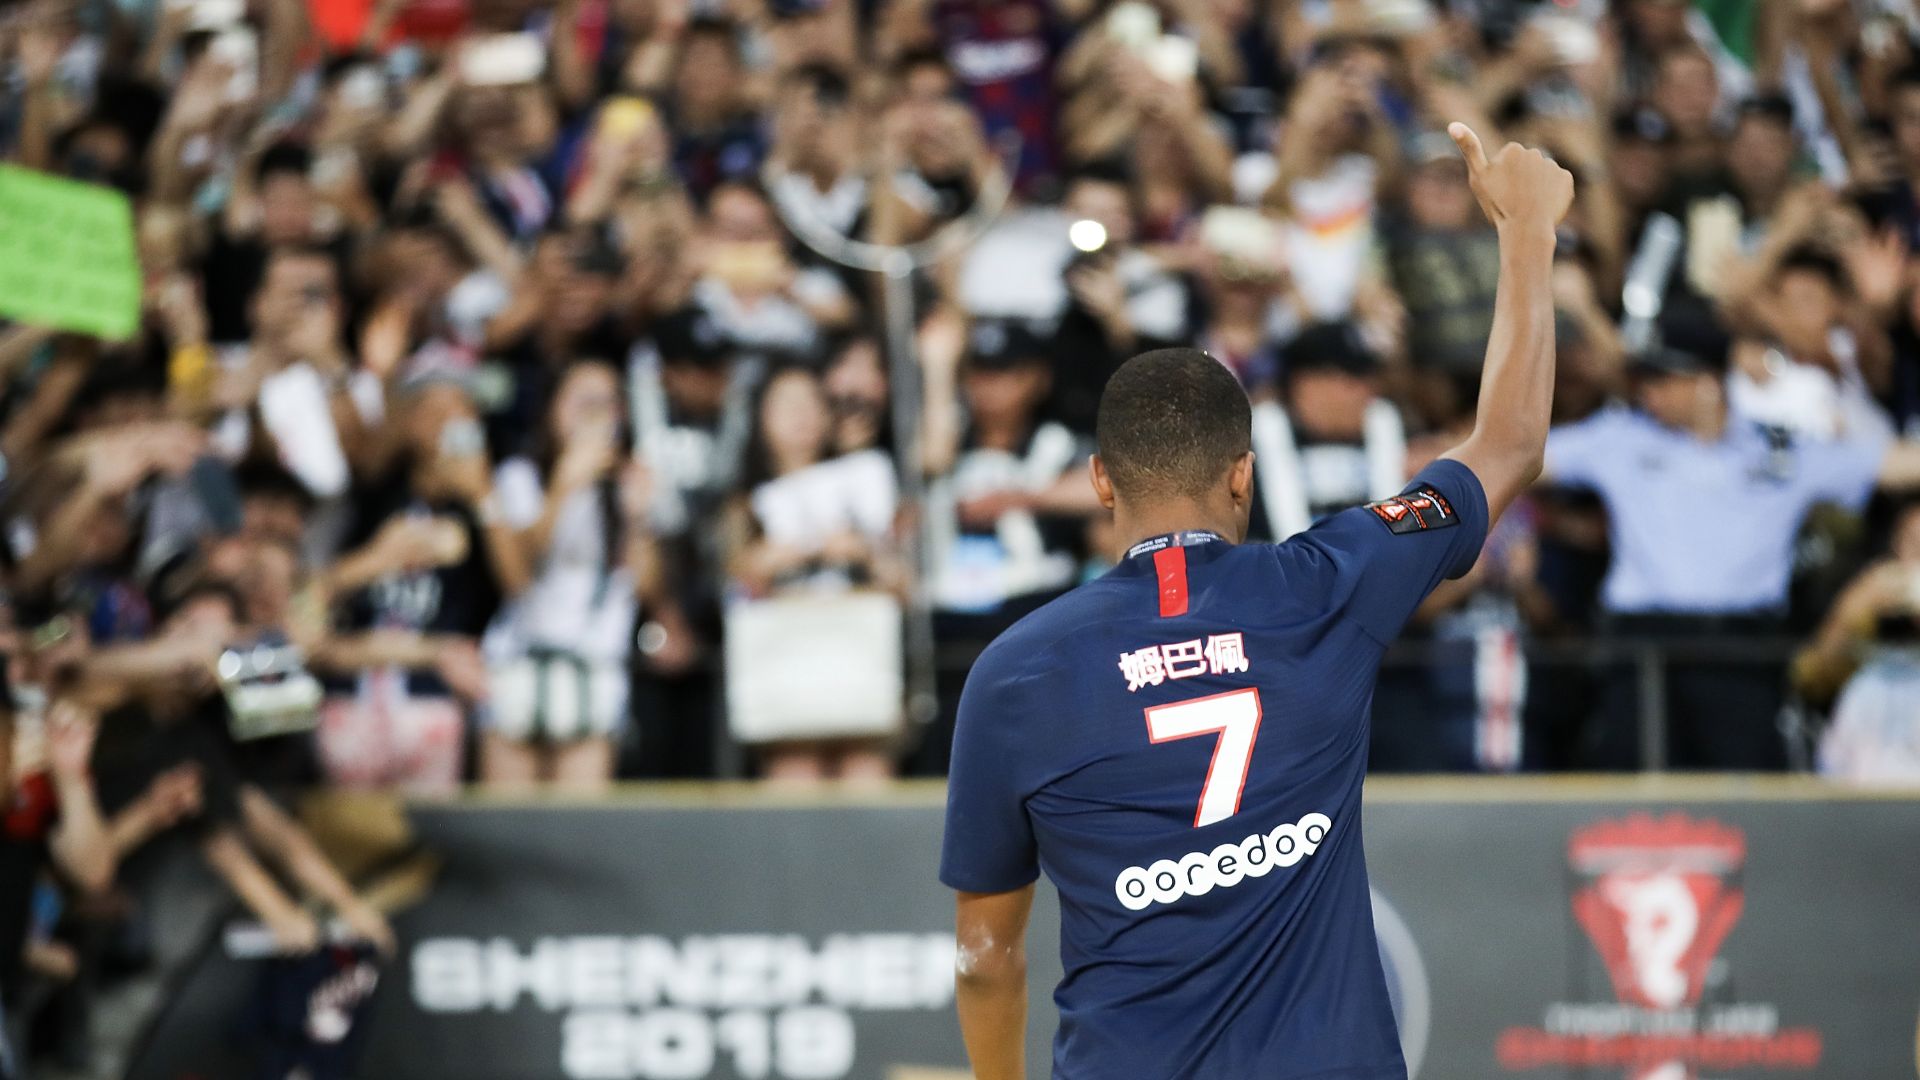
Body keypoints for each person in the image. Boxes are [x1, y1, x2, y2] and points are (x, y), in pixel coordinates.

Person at [940, 125, 1572, 1076]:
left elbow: (986, 956)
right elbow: (1510, 443)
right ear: (1242, 475)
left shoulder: (1015, 670)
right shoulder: (1329, 583)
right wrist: (1526, 233)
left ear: (1102, 480)